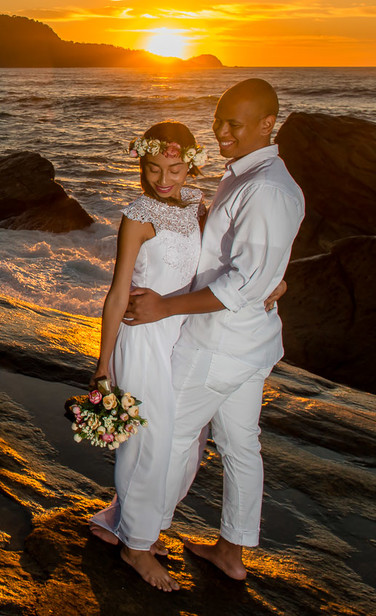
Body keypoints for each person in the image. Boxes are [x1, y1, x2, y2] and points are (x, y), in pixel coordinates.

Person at [123, 78, 304, 582]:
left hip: (219, 345)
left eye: (234, 123)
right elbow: (255, 263)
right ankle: (231, 550)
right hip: (249, 343)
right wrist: (276, 280)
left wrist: (165, 307)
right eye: (218, 120)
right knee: (241, 445)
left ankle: (140, 536)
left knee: (169, 434)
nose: (221, 131)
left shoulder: (264, 186)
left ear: (269, 123)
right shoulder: (249, 174)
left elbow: (244, 280)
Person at [86, 120, 207, 592]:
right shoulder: (137, 214)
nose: (163, 179)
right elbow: (117, 294)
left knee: (183, 439)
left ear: (191, 166)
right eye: (154, 168)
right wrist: (103, 364)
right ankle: (136, 547)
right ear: (142, 164)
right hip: (142, 340)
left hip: (180, 334)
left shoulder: (199, 208)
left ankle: (136, 521)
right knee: (145, 440)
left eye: (175, 168)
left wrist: (274, 280)